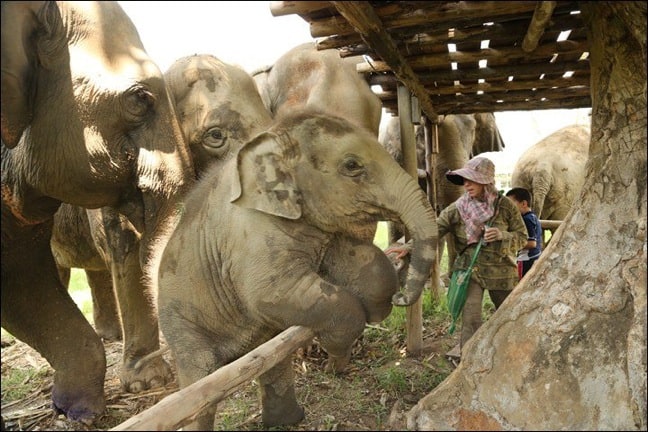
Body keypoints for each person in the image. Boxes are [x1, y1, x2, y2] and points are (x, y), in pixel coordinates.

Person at [386, 156, 527, 359]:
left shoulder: (505, 207)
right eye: (464, 179)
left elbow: (522, 237)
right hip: (470, 273)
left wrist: (502, 235)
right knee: (470, 319)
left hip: (502, 272)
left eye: (472, 179)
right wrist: (408, 247)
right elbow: (434, 229)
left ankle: (515, 357)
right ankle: (470, 363)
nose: (466, 184)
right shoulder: (458, 208)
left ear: (486, 182)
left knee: (510, 316)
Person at [505, 187, 543, 279]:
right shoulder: (533, 217)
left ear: (524, 203)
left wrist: (511, 243)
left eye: (511, 204)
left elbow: (532, 243)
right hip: (534, 257)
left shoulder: (526, 220)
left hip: (526, 259)